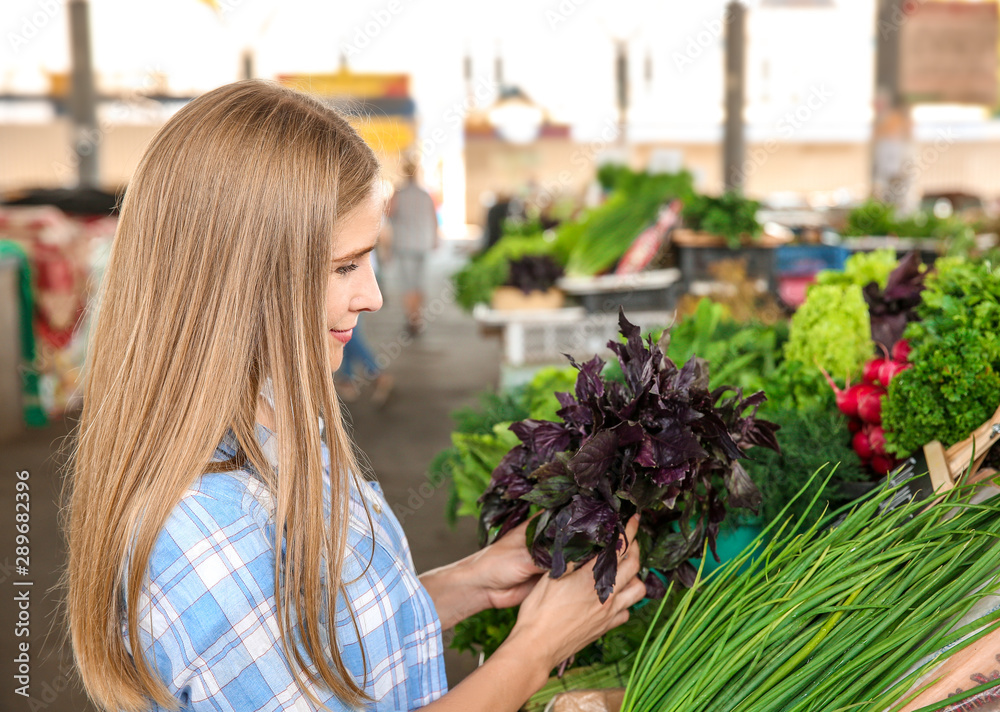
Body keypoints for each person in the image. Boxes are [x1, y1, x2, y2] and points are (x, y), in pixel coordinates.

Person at [64, 80, 645, 712]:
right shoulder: (202, 529)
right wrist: (533, 651)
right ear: (245, 279)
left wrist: (467, 583)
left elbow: (314, 642)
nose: (373, 297)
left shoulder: (272, 422)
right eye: (345, 266)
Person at [387, 158, 438, 335]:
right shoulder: (425, 195)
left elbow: (388, 213)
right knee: (419, 283)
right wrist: (434, 240)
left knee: (408, 284)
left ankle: (412, 318)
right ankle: (418, 317)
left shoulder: (399, 194)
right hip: (422, 244)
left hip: (405, 245)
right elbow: (433, 219)